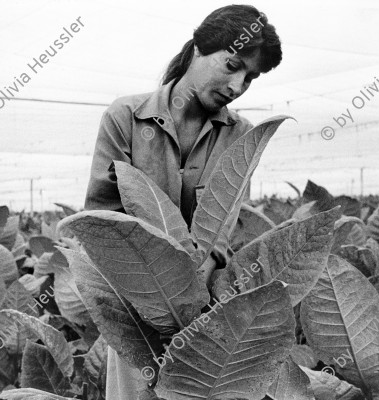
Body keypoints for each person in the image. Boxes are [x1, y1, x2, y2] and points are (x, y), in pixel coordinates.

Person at [83, 4, 282, 399]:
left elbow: (221, 233)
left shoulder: (240, 135)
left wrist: (190, 299)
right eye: (232, 65)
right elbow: (103, 221)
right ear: (197, 50)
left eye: (250, 77)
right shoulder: (126, 117)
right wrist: (156, 294)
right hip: (135, 309)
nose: (238, 85)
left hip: (203, 309)